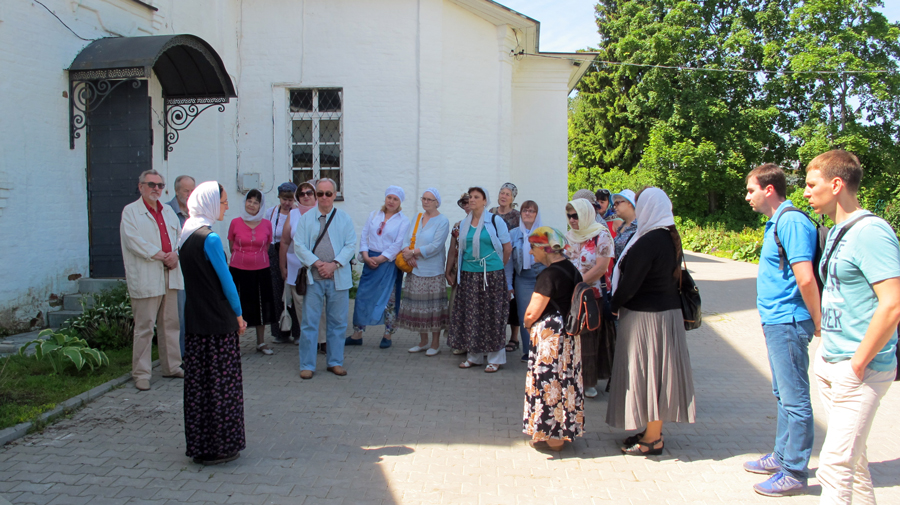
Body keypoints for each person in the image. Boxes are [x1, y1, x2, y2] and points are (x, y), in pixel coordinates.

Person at [803, 150, 900, 505]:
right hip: (833, 361)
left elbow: (893, 303)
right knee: (854, 462)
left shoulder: (871, 232)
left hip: (861, 368)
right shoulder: (837, 230)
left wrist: (858, 363)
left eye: (812, 184)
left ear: (837, 184)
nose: (806, 192)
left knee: (834, 465)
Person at [743, 164, 820, 497]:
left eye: (751, 190)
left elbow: (805, 277)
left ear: (769, 189)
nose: (748, 197)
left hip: (788, 321)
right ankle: (782, 456)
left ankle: (794, 471)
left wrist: (819, 322)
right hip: (776, 321)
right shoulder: (778, 221)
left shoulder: (790, 221)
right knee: (783, 395)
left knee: (795, 398)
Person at [608, 187, 696, 456]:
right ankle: (650, 431)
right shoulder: (666, 236)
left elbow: (631, 283)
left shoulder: (650, 240)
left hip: (647, 319)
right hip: (659, 316)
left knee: (650, 377)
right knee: (652, 376)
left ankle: (653, 440)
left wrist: (611, 306)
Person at [177, 181, 248, 465]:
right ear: (209, 202)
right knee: (221, 387)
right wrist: (239, 314)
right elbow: (227, 281)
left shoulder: (184, 234)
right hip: (218, 322)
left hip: (195, 318)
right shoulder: (211, 238)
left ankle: (201, 444)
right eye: (223, 200)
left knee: (199, 387)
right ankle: (221, 445)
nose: (227, 205)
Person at [119, 170, 184, 391]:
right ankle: (141, 373)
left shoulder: (168, 211)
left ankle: (172, 366)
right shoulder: (131, 212)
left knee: (170, 324)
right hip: (148, 272)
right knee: (145, 326)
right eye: (151, 184)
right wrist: (160, 254)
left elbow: (178, 237)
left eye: (159, 185)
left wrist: (174, 253)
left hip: (169, 271)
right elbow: (133, 241)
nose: (156, 188)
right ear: (141, 187)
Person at [522, 226, 584, 452]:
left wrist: (528, 325)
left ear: (544, 248)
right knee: (566, 382)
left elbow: (532, 312)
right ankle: (564, 431)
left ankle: (553, 437)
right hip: (569, 335)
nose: (531, 253)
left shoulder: (549, 274)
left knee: (549, 383)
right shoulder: (572, 268)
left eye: (533, 247)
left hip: (551, 337)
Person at [294, 178, 357, 378]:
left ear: (334, 195)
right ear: (315, 196)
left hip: (338, 277)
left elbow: (350, 245)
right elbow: (299, 245)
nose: (324, 197)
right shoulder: (306, 219)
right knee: (310, 323)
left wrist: (334, 264)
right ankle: (307, 365)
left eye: (328, 194)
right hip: (314, 277)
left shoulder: (344, 218)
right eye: (319, 193)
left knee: (338, 322)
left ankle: (335, 361)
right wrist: (317, 263)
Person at [448, 186, 512, 373]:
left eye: (477, 197)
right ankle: (473, 356)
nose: (473, 200)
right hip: (469, 274)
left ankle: (495, 358)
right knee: (471, 315)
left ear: (485, 201)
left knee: (492, 315)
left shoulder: (495, 221)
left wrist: (497, 266)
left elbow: (507, 248)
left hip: (491, 275)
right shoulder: (464, 224)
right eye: (471, 197)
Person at [347, 186, 410, 349]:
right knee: (362, 297)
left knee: (389, 299)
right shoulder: (374, 215)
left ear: (400, 202)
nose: (391, 201)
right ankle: (357, 334)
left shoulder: (403, 220)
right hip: (370, 260)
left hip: (388, 263)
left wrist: (381, 258)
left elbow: (398, 243)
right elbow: (364, 236)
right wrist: (366, 256)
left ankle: (387, 334)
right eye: (389, 197)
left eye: (395, 199)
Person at [565, 198, 615, 398]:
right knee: (574, 337)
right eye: (569, 216)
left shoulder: (601, 235)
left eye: (576, 215)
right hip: (572, 296)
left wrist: (578, 284)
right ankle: (573, 378)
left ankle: (589, 382)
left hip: (592, 296)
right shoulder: (569, 236)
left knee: (589, 339)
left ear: (586, 214)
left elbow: (601, 267)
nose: (572, 220)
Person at [398, 189, 450, 356]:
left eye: (429, 199)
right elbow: (406, 239)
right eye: (424, 199)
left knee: (433, 308)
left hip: (433, 271)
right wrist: (407, 253)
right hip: (415, 269)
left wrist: (413, 253)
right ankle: (423, 341)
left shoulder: (442, 221)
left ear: (437, 202)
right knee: (419, 307)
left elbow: (435, 246)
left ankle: (435, 343)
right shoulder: (417, 217)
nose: (426, 202)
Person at [227, 189, 276, 355]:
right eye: (249, 201)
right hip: (238, 270)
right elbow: (231, 245)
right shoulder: (235, 222)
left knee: (261, 306)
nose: (252, 205)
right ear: (244, 202)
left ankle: (261, 342)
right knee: (237, 305)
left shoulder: (267, 224)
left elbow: (267, 246)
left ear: (261, 206)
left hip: (261, 270)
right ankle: (235, 343)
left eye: (256, 202)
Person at [280, 181, 327, 353]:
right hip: (296, 268)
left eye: (309, 193)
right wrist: (282, 266)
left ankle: (323, 340)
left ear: (315, 196)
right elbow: (285, 242)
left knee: (320, 305)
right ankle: (310, 340)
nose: (306, 196)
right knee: (300, 306)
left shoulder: (322, 213)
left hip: (318, 268)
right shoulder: (292, 215)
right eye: (301, 193)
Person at [505, 200, 545, 362]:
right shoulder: (513, 234)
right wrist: (508, 284)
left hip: (542, 278)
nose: (528, 213)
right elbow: (508, 263)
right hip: (523, 279)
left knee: (542, 315)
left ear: (537, 214)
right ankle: (528, 351)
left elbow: (552, 259)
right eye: (525, 211)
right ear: (520, 213)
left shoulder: (544, 233)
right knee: (525, 315)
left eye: (531, 211)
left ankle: (543, 350)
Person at [490, 183, 522, 352]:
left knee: (513, 298)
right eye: (501, 193)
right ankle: (497, 334)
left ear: (513, 198)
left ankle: (514, 337)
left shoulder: (517, 216)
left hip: (511, 260)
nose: (503, 196)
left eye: (507, 194)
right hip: (492, 260)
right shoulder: (490, 213)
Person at [266, 182, 300, 344]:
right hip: (274, 252)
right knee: (275, 293)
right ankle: (280, 332)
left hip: (292, 253)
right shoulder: (271, 212)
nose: (287, 203)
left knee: (294, 292)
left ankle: (297, 331)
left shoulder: (298, 213)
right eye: (283, 199)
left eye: (290, 199)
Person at [166, 175, 195, 357]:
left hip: (194, 271)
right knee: (179, 316)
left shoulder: (195, 212)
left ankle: (192, 352)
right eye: (186, 190)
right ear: (177, 191)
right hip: (176, 271)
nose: (190, 194)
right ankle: (180, 355)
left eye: (193, 190)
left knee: (192, 314)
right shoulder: (167, 211)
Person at [445, 193, 470, 355]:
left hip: (475, 272)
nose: (467, 205)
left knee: (473, 308)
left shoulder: (485, 224)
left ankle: (474, 343)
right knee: (456, 307)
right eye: (464, 203)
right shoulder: (457, 226)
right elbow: (452, 250)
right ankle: (460, 342)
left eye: (469, 202)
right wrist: (447, 271)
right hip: (459, 272)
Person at [612, 190, 637, 261]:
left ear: (629, 203)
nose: (615, 207)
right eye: (614, 204)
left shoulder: (639, 227)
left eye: (617, 203)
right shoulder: (621, 227)